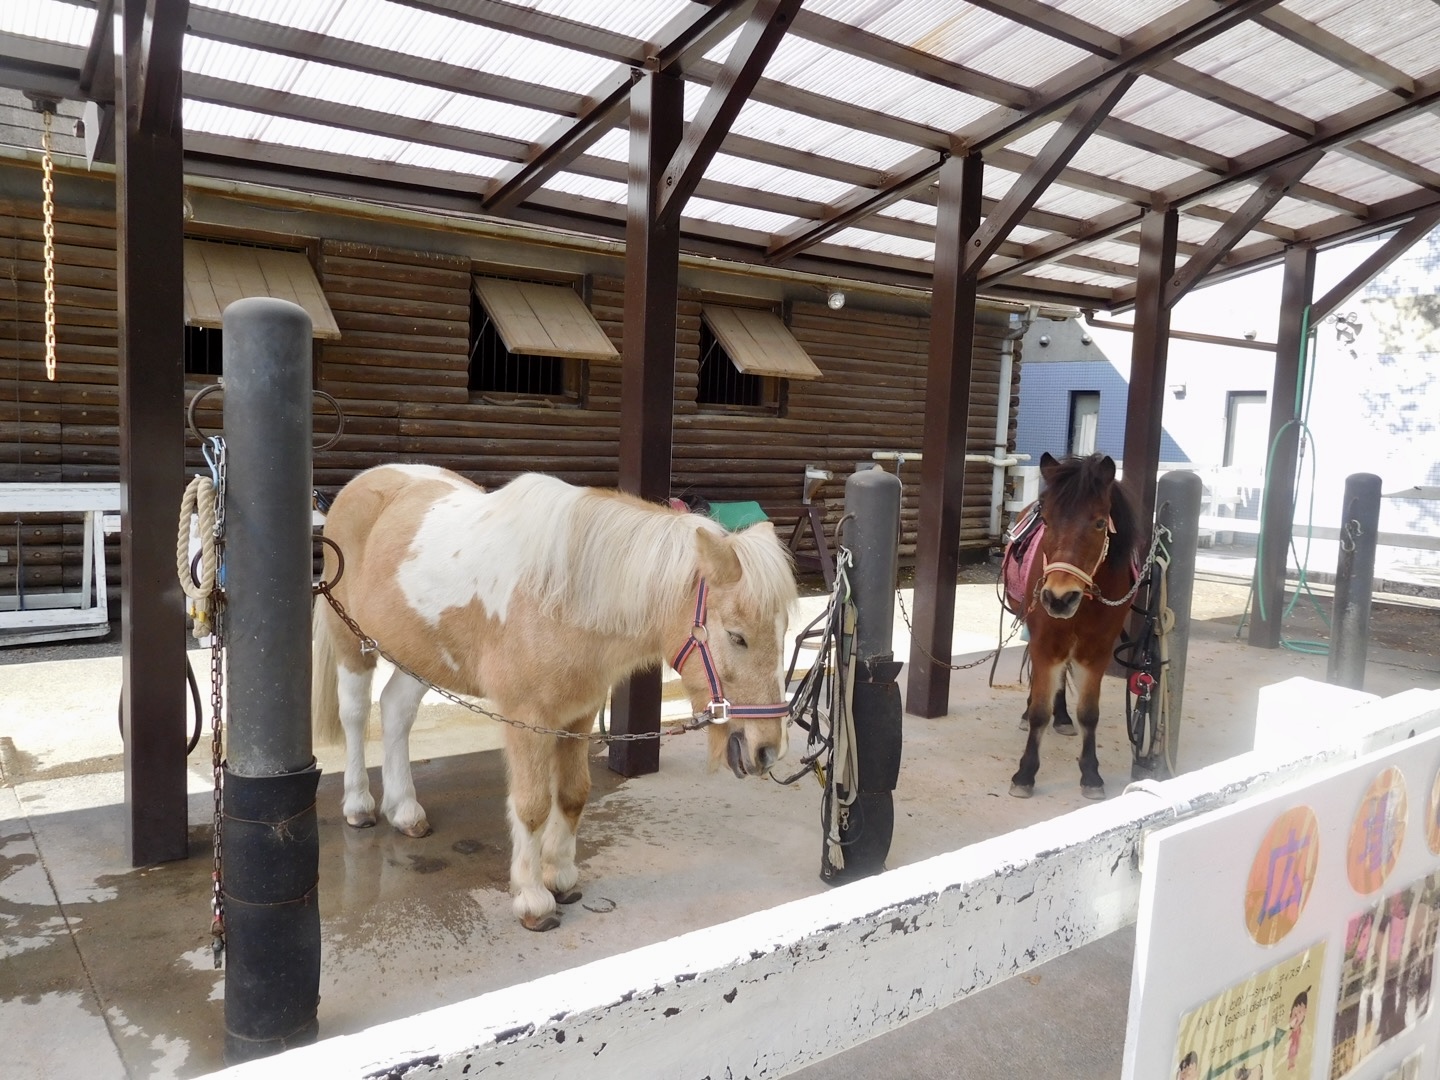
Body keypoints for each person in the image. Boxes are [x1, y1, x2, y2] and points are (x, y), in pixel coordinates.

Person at [1287, 989, 1308, 1071]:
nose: (1296, 1015)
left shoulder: (1300, 1032)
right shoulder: (1288, 1031)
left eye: (1299, 1012)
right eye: (1294, 1012)